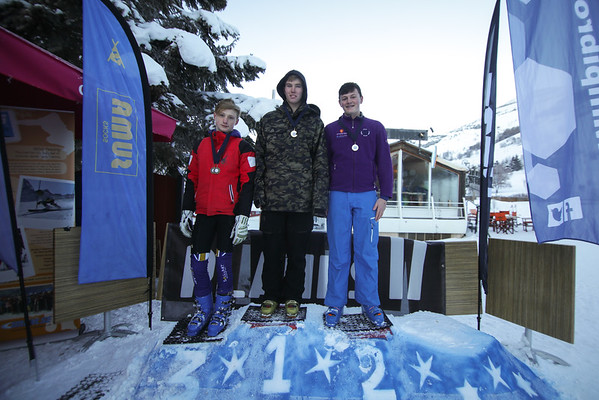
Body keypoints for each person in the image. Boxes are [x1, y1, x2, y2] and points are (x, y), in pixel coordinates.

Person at [254, 70, 328, 317]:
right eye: (289, 85)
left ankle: (293, 296)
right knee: (273, 253)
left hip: (302, 203)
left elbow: (321, 163)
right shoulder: (268, 120)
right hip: (273, 201)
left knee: (297, 255)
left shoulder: (315, 123)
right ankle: (270, 296)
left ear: (304, 90)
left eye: (297, 85)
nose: (293, 90)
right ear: (282, 89)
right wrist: (259, 193)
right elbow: (259, 159)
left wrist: (318, 202)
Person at [179, 99, 255, 337]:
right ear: (214, 116)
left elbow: (248, 183)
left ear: (236, 121)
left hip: (227, 215)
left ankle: (223, 306)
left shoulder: (243, 146)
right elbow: (191, 177)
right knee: (198, 262)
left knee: (223, 263)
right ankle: (203, 308)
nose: (225, 121)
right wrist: (186, 209)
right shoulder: (200, 144)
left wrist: (242, 216)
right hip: (203, 213)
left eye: (231, 118)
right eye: (222, 115)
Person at [323, 82, 393, 328]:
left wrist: (384, 195)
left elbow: (384, 163)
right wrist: (323, 197)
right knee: (339, 253)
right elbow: (323, 165)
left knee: (367, 252)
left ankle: (370, 303)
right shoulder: (331, 130)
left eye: (353, 97)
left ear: (361, 98)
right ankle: (335, 303)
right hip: (338, 195)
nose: (349, 101)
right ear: (339, 102)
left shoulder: (375, 128)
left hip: (367, 197)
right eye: (344, 98)